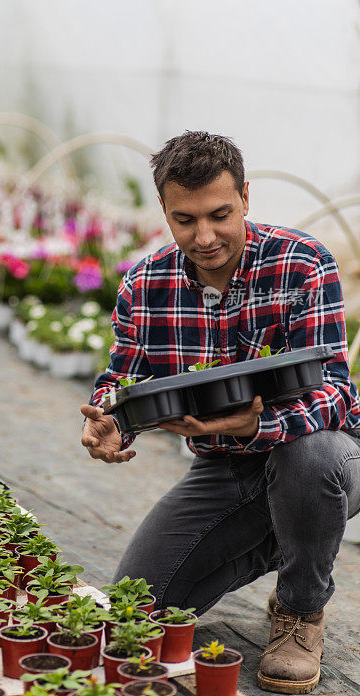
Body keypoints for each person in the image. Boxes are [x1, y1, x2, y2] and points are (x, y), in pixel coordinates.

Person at [80, 131, 360, 695]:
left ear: (246, 198)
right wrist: (108, 418)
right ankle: (286, 540)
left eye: (220, 215)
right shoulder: (145, 283)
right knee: (136, 612)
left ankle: (301, 609)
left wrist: (257, 424)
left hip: (318, 458)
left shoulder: (302, 264)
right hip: (223, 470)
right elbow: (123, 379)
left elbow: (337, 395)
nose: (204, 236)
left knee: (311, 457)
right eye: (185, 220)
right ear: (163, 209)